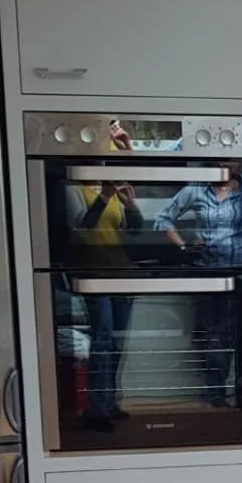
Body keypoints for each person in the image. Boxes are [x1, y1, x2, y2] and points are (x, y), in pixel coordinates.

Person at [154, 165, 242, 407]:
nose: (224, 166)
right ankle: (215, 394)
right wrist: (183, 247)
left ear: (238, 163)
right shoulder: (196, 189)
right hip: (208, 272)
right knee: (216, 334)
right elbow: (162, 220)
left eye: (229, 161)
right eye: (218, 161)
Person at [65, 178, 143, 430]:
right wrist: (103, 197)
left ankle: (109, 402)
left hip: (121, 274)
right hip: (93, 274)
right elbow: (80, 229)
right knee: (103, 339)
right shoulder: (72, 188)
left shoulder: (112, 189)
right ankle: (95, 410)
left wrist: (131, 206)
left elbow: (135, 231)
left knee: (117, 341)